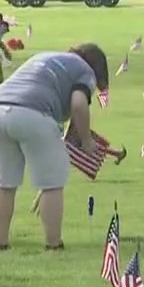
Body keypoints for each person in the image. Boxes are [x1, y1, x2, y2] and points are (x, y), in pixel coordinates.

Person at [0, 43, 108, 250]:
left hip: (1, 107)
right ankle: (53, 244)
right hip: (34, 114)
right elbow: (78, 104)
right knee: (51, 184)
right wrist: (86, 140)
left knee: (5, 183)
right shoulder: (85, 72)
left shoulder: (44, 55)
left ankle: (1, 242)